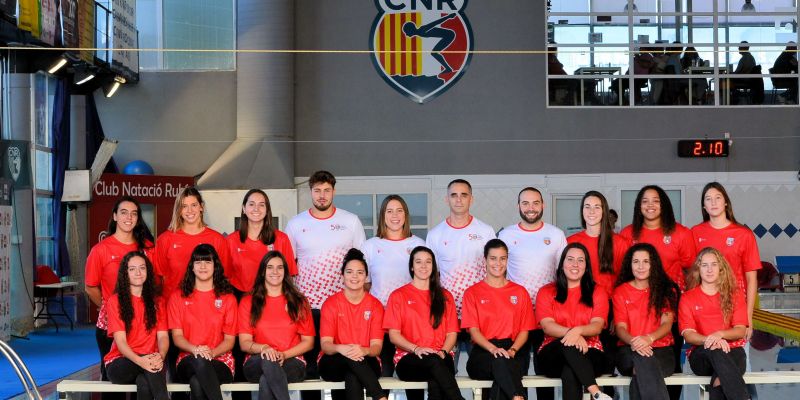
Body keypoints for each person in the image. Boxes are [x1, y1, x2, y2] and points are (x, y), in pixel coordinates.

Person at [285, 170, 366, 392]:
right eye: (317, 190)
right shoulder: (295, 224)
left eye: (326, 190)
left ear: (334, 192)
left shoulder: (350, 221)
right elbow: (287, 268)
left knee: (338, 365)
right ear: (310, 191)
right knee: (310, 371)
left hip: (342, 306)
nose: (322, 195)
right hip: (307, 307)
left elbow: (362, 264)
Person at [619, 185, 694, 400]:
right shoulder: (628, 233)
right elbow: (625, 271)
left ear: (664, 205)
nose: (650, 205)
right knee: (639, 356)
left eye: (656, 200)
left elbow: (691, 272)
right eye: (645, 201)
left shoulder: (680, 233)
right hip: (636, 306)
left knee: (670, 358)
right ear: (638, 206)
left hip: (670, 304)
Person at [497, 187, 566, 400]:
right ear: (518, 206)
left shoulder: (555, 235)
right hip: (516, 315)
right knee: (517, 369)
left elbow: (564, 273)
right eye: (525, 203)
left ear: (543, 205)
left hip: (548, 315)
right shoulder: (507, 235)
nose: (531, 208)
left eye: (535, 203)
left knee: (546, 370)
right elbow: (498, 271)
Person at [85, 196, 155, 391]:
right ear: (115, 216)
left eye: (134, 214)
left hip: (142, 325)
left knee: (142, 377)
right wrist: (109, 307)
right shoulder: (100, 250)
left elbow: (154, 283)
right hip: (111, 325)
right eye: (123, 212)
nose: (128, 217)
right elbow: (90, 286)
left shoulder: (147, 247)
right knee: (112, 381)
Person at [426, 179, 495, 362]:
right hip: (448, 314)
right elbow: (431, 276)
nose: (458, 200)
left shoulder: (486, 231)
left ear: (471, 199)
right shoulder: (435, 235)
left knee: (483, 370)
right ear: (446, 199)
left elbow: (494, 273)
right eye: (453, 195)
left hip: (480, 314)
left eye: (463, 195)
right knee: (447, 369)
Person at [384, 246, 464, 400]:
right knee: (436, 367)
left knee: (436, 372)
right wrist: (417, 349)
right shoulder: (398, 295)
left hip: (441, 355)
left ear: (433, 266)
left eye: (428, 262)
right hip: (408, 358)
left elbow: (452, 334)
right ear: (412, 267)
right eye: (418, 262)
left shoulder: (445, 296)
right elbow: (394, 336)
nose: (423, 266)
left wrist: (443, 352)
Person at [534, 243, 612, 400]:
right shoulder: (546, 292)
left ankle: (596, 393)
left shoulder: (598, 292)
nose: (575, 264)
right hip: (552, 354)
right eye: (570, 259)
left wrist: (578, 331)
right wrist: (573, 334)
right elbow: (547, 326)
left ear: (586, 266)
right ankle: (596, 391)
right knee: (567, 346)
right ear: (562, 264)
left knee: (570, 371)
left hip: (591, 352)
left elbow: (597, 326)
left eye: (580, 260)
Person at [461, 239, 534, 400]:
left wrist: (513, 350)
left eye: (502, 258)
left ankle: (516, 397)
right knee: (502, 363)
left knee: (503, 368)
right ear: (485, 260)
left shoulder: (520, 292)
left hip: (513, 350)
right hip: (483, 351)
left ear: (507, 260)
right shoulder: (472, 293)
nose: (498, 263)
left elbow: (524, 331)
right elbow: (474, 332)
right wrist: (494, 350)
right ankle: (518, 396)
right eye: (493, 258)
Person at [361, 194, 425, 377]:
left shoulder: (418, 244)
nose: (395, 215)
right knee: (384, 375)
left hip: (412, 321)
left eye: (399, 211)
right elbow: (365, 286)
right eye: (389, 211)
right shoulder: (370, 246)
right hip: (381, 321)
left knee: (415, 378)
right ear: (383, 215)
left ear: (406, 215)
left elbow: (426, 282)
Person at [239, 251, 315, 400]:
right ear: (262, 272)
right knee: (268, 360)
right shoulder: (248, 301)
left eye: (280, 267)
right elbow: (244, 343)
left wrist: (284, 354)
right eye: (270, 267)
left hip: (292, 361)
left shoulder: (299, 301)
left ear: (285, 272)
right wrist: (264, 349)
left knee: (266, 380)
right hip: (257, 361)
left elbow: (308, 342)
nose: (275, 271)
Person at [691, 182, 761, 341]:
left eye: (718, 197)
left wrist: (748, 317)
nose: (713, 202)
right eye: (708, 199)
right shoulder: (696, 232)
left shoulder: (743, 234)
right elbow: (693, 274)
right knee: (708, 349)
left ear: (726, 202)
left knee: (738, 356)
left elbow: (751, 279)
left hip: (735, 304)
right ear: (704, 206)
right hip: (705, 305)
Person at [168, 244, 238, 400]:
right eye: (198, 262)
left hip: (221, 359)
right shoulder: (177, 297)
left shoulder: (228, 299)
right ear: (191, 267)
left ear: (216, 266)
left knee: (197, 382)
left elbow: (229, 341)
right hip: (188, 358)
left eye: (208, 262)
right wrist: (196, 350)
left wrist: (210, 353)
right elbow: (177, 337)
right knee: (199, 362)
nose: (203, 266)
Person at [679, 248, 750, 400]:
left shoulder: (734, 294)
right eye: (704, 265)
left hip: (733, 351)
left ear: (721, 268)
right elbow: (688, 335)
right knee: (717, 352)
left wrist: (720, 334)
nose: (709, 269)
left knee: (720, 378)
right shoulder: (688, 298)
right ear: (698, 269)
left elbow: (740, 330)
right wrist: (710, 340)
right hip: (701, 354)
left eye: (714, 264)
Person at [612, 243, 680, 400]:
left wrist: (648, 339)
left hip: (661, 350)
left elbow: (666, 324)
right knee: (644, 365)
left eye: (646, 262)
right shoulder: (621, 292)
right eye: (636, 262)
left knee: (641, 370)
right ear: (630, 265)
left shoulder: (665, 290)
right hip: (629, 349)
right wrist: (635, 342)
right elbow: (620, 327)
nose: (640, 266)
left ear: (653, 264)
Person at [319, 249, 386, 400]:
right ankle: (380, 397)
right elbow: (326, 345)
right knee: (351, 358)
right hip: (333, 361)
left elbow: (376, 348)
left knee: (353, 375)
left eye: (360, 272)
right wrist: (341, 348)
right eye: (349, 272)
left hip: (367, 360)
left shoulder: (375, 305)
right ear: (342, 276)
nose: (354, 276)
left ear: (366, 276)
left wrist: (363, 350)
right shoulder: (330, 304)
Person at [104, 251, 169, 400]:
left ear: (148, 271)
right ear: (125, 273)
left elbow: (163, 336)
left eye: (142, 268)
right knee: (152, 369)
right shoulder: (115, 301)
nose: (138, 273)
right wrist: (142, 361)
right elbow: (120, 342)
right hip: (120, 363)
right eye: (132, 269)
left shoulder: (158, 302)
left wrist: (161, 355)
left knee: (144, 382)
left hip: (151, 361)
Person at [156, 187, 232, 300]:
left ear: (201, 207)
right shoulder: (165, 239)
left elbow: (224, 277)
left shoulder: (218, 240)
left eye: (194, 205)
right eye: (184, 206)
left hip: (206, 307)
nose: (189, 210)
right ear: (179, 210)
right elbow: (159, 278)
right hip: (173, 307)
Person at [227, 189, 297, 294]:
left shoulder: (282, 239)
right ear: (243, 209)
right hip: (241, 298)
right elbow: (225, 276)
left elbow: (290, 275)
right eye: (251, 204)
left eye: (261, 205)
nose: (256, 209)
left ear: (267, 210)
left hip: (272, 298)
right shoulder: (230, 241)